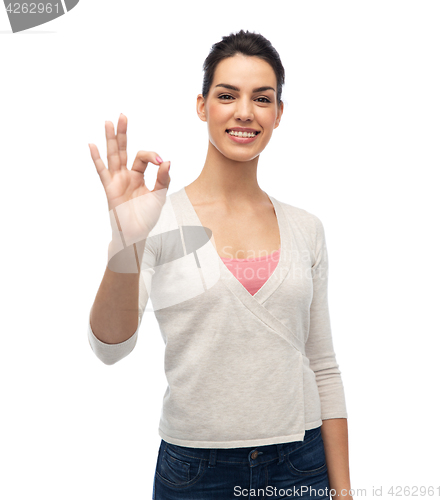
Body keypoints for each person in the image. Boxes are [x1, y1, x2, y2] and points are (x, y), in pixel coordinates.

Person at [87, 30, 353, 500]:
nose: (245, 112)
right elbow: (110, 349)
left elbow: (323, 366)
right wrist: (126, 242)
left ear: (278, 114)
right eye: (227, 95)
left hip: (300, 465)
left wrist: (344, 491)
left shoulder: (306, 228)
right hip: (194, 471)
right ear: (202, 105)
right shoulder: (158, 219)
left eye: (262, 98)